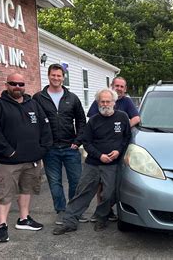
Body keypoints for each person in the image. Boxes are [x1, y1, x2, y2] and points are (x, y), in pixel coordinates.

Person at [52, 88, 131, 235]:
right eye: (102, 101)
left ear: (114, 102)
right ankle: (69, 222)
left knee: (109, 194)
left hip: (113, 164)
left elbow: (127, 138)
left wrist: (119, 151)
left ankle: (102, 217)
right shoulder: (93, 121)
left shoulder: (123, 117)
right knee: (82, 192)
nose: (105, 104)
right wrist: (100, 155)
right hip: (93, 163)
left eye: (108, 101)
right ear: (97, 102)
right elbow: (86, 142)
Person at [0, 73, 53, 243]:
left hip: (32, 160)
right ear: (7, 85)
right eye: (13, 83)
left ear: (24, 86)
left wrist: (42, 149)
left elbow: (45, 126)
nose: (17, 86)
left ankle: (24, 219)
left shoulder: (33, 104)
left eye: (21, 84)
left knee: (26, 189)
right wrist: (8, 151)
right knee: (4, 193)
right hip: (8, 161)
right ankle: (2, 226)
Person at [33, 64, 87, 225]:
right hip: (50, 149)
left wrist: (78, 141)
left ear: (63, 77)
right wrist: (42, 144)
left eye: (59, 75)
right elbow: (34, 122)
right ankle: (61, 211)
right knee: (55, 182)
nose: (56, 78)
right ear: (48, 76)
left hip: (70, 147)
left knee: (76, 181)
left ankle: (74, 210)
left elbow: (81, 120)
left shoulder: (72, 98)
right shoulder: (39, 98)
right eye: (53, 75)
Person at [86, 76, 140, 222]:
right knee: (99, 184)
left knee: (113, 184)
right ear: (112, 86)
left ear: (125, 89)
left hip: (118, 149)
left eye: (122, 86)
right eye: (117, 85)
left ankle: (106, 210)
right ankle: (101, 211)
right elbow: (92, 117)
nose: (119, 88)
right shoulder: (103, 98)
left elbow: (136, 118)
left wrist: (122, 126)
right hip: (98, 150)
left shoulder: (127, 102)